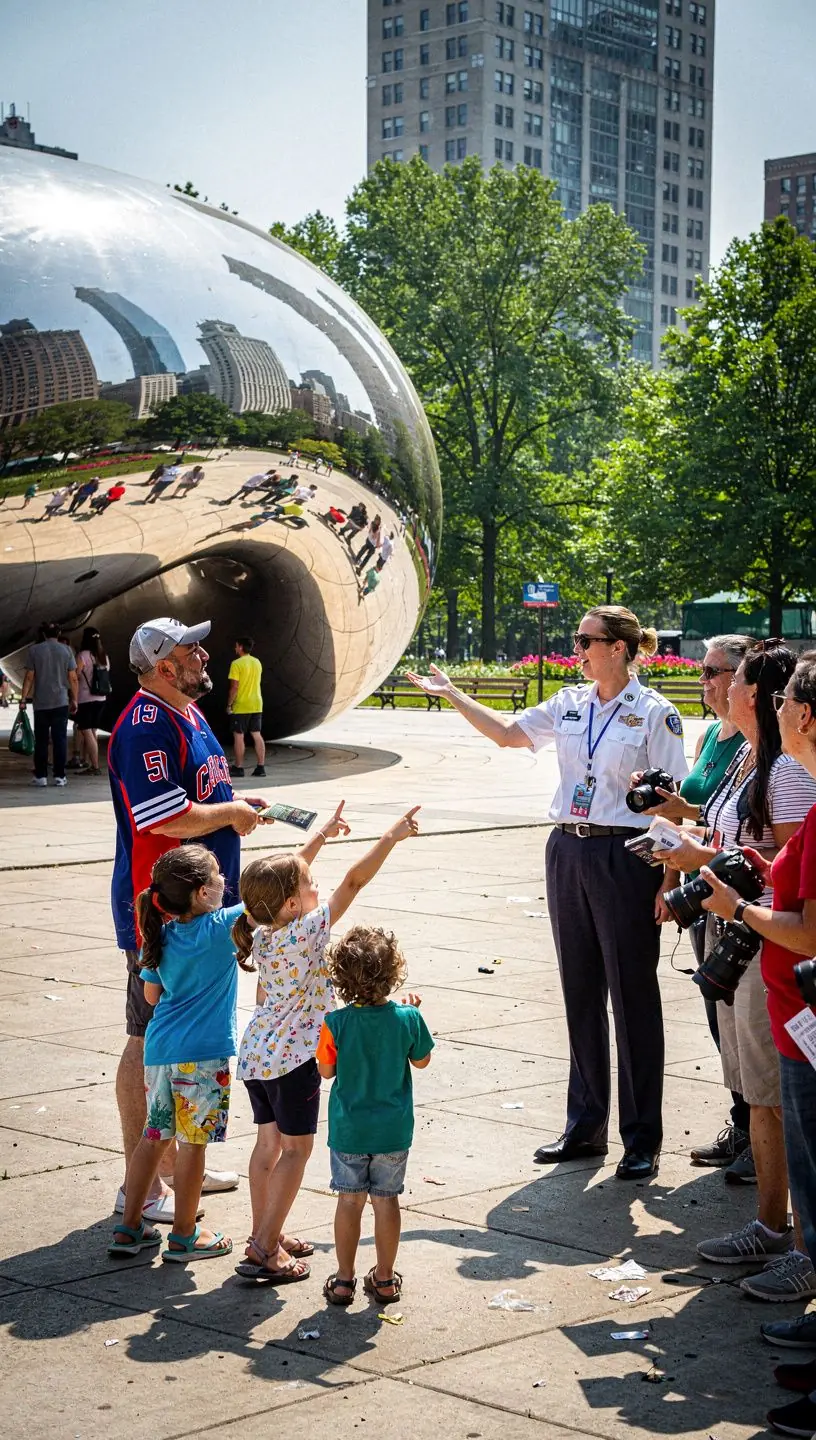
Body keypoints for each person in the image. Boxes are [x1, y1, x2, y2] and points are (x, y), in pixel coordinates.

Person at [408, 605, 688, 1180]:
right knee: (580, 990)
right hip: (568, 847)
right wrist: (452, 693)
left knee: (632, 995)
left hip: (628, 853)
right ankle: (585, 1126)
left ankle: (641, 1138)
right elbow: (510, 734)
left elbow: (673, 801)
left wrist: (669, 876)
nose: (577, 648)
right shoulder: (569, 702)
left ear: (618, 647)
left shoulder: (654, 713)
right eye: (578, 639)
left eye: (586, 639)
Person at [653, 641, 816, 1300]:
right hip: (750, 935)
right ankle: (776, 1229)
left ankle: (794, 1242)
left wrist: (737, 896)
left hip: (773, 948)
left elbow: (793, 881)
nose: (718, 686)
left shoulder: (788, 775)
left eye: (735, 678)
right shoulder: (755, 758)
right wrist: (706, 857)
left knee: (783, 1102)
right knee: (765, 1097)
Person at [107, 617, 267, 1224]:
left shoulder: (190, 714)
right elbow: (163, 816)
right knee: (147, 1038)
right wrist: (230, 811)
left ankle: (175, 1167)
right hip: (161, 916)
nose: (205, 653)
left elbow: (198, 798)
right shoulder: (144, 723)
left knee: (183, 1040)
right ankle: (140, 1188)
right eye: (190, 648)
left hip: (199, 914)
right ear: (164, 666)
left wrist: (238, 808)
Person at [693, 655, 816, 1429]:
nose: (760, 700)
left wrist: (739, 906)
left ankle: (787, 1243)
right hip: (787, 1002)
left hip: (797, 1002)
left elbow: (805, 923)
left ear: (800, 714)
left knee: (806, 1157)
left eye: (778, 695)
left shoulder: (800, 784)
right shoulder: (768, 762)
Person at [234, 804, 421, 1284]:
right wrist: (390, 836)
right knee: (296, 1152)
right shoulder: (308, 931)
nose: (318, 884)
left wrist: (319, 836)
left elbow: (274, 882)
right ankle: (264, 1249)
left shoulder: (261, 928)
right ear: (294, 904)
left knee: (267, 1147)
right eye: (309, 882)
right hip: (294, 1057)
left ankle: (267, 1231)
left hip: (257, 1052)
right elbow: (354, 882)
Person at [637, 634, 753, 1179]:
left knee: (743, 1020)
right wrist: (668, 807)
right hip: (705, 888)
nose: (703, 680)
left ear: (743, 679)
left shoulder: (757, 748)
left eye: (713, 671)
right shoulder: (714, 735)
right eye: (703, 671)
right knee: (719, 1017)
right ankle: (743, 1122)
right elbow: (702, 810)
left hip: (737, 897)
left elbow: (743, 829)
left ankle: (759, 1130)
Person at [108, 845, 248, 1262]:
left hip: (160, 1050)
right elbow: (269, 896)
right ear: (203, 893)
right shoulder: (222, 926)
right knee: (194, 1145)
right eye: (219, 875)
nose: (227, 881)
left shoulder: (162, 934)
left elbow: (151, 994)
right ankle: (186, 1237)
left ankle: (129, 1229)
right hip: (203, 1058)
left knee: (154, 1137)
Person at [316, 925, 433, 1306]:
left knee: (349, 1201)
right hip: (392, 1132)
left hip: (349, 1130)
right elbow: (422, 1060)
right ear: (393, 972)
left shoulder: (335, 1023)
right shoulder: (407, 1018)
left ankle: (344, 1279)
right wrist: (411, 1014)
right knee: (386, 1201)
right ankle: (384, 1279)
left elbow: (326, 1071)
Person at [18, 622, 78, 788]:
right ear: (58, 633)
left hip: (41, 703)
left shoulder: (35, 650)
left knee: (41, 741)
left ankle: (41, 776)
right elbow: (73, 677)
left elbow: (29, 677)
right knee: (60, 739)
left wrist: (23, 698)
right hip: (60, 702)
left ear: (44, 634)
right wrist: (75, 699)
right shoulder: (67, 651)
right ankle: (60, 776)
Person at [74, 627, 111, 775]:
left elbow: (75, 676)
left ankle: (95, 766)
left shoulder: (83, 655)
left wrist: (73, 697)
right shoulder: (103, 656)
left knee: (86, 731)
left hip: (85, 698)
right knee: (93, 731)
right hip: (101, 698)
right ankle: (90, 763)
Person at [227, 637, 265, 779]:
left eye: (236, 646)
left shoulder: (236, 664)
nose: (235, 648)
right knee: (256, 734)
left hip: (241, 704)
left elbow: (234, 687)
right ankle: (260, 767)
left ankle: (238, 767)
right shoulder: (257, 662)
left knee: (239, 735)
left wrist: (229, 704)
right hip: (257, 704)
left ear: (241, 647)